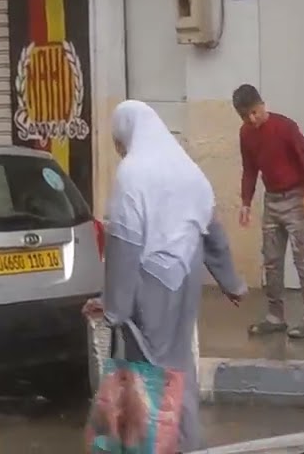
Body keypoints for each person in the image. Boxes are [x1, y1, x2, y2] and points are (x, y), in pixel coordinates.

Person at [84, 100, 246, 452]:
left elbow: (124, 246)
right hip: (185, 281)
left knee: (149, 373)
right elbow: (213, 232)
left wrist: (113, 307)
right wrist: (231, 283)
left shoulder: (133, 173)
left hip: (148, 285)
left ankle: (155, 448)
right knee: (179, 367)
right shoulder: (191, 172)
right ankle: (188, 444)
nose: (119, 147)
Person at [233, 84, 304, 340]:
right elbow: (250, 169)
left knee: (303, 259)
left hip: (296, 197)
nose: (252, 120)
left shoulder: (285, 127)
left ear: (262, 105)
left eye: (254, 112)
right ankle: (275, 316)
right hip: (272, 200)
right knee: (272, 261)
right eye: (245, 116)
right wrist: (246, 202)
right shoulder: (246, 134)